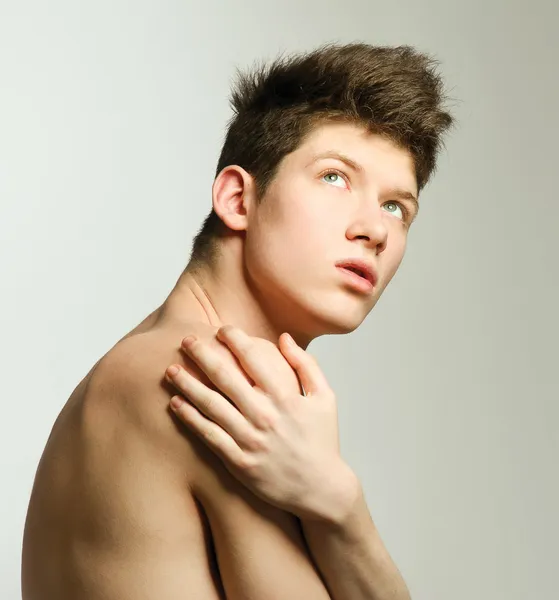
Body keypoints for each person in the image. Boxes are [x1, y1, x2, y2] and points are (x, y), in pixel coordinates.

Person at [22, 42, 454, 599]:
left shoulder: (167, 362)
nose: (375, 229)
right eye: (334, 177)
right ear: (236, 199)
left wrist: (339, 504)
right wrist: (342, 506)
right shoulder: (201, 379)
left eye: (398, 207)